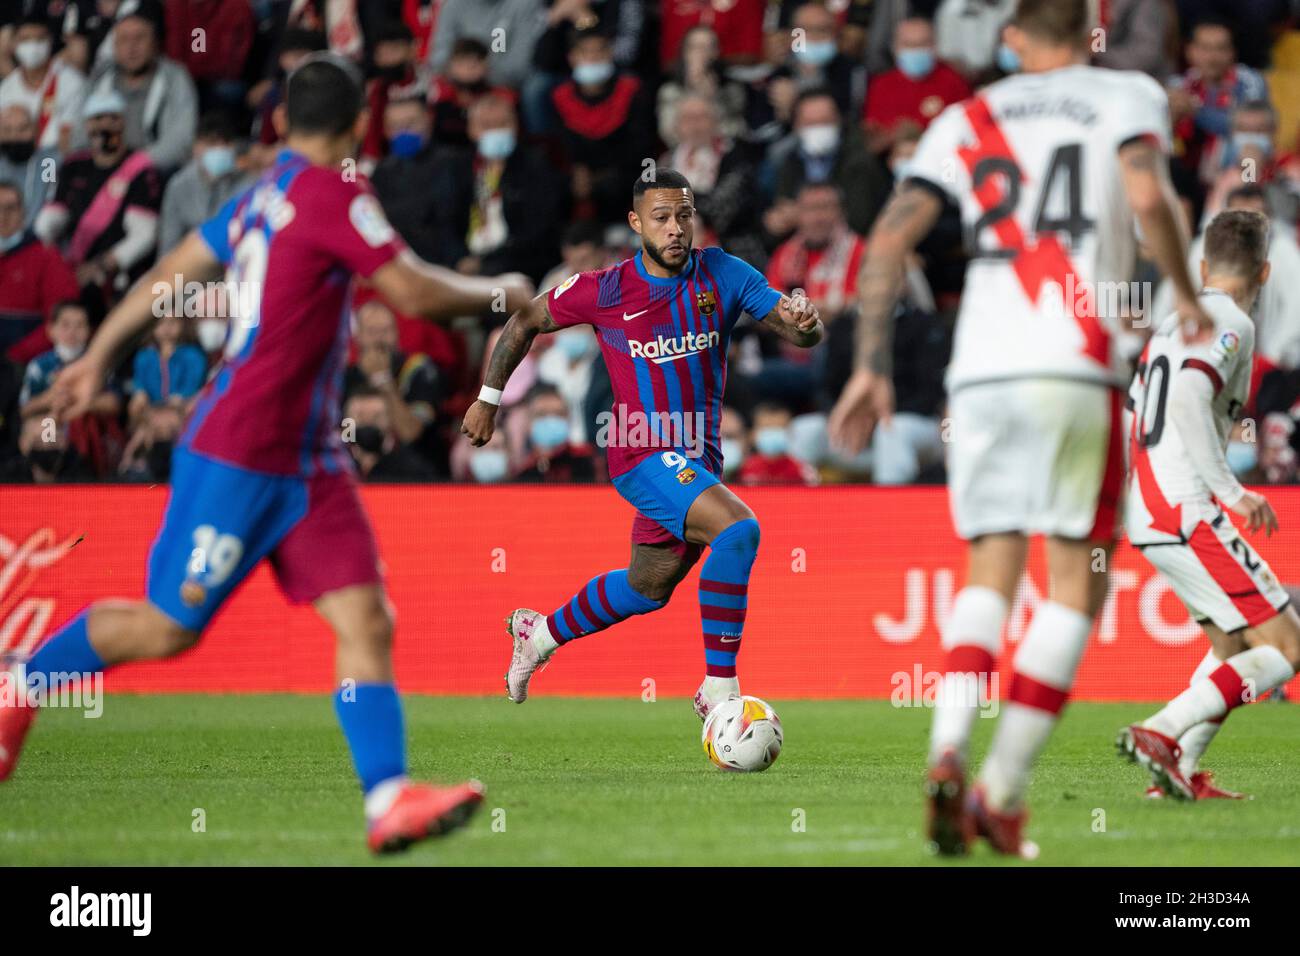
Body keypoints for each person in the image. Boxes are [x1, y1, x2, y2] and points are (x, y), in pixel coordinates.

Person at [0, 54, 535, 854]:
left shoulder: (262, 196)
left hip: (311, 459)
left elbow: (166, 277)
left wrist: (97, 357)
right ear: (360, 126)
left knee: (365, 616)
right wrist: (506, 290)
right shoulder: (330, 192)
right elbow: (413, 292)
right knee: (168, 627)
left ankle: (387, 798)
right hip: (241, 448)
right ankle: (18, 682)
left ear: (282, 123)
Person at [828, 0, 1211, 858]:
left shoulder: (966, 115)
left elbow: (887, 241)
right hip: (1078, 365)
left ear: (1010, 37)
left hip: (982, 371)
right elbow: (1149, 194)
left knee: (987, 575)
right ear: (1089, 30)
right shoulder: (1128, 95)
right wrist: (1182, 295)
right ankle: (999, 793)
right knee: (1074, 580)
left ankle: (944, 754)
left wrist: (871, 365)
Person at [461, 168, 823, 719]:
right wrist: (488, 398)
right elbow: (525, 320)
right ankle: (720, 695)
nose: (676, 228)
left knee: (647, 587)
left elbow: (795, 329)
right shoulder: (605, 289)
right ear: (636, 224)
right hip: (640, 452)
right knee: (739, 531)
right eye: (661, 218)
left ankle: (540, 634)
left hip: (698, 457)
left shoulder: (723, 272)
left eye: (684, 216)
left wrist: (805, 322)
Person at [1118, 210, 1299, 800]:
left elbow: (1131, 411)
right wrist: (1233, 491)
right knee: (1288, 646)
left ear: (1201, 266)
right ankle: (1162, 729)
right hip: (1184, 504)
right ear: (1266, 271)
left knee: (1232, 648)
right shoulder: (1233, 322)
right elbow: (1192, 393)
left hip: (1147, 506)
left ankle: (1173, 775)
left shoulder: (1171, 323)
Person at [0, 14, 86, 152]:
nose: (33, 46)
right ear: (14, 44)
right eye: (25, 39)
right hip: (13, 159)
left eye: (40, 39)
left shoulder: (72, 82)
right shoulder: (6, 88)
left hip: (55, 159)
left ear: (50, 41)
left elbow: (70, 137)